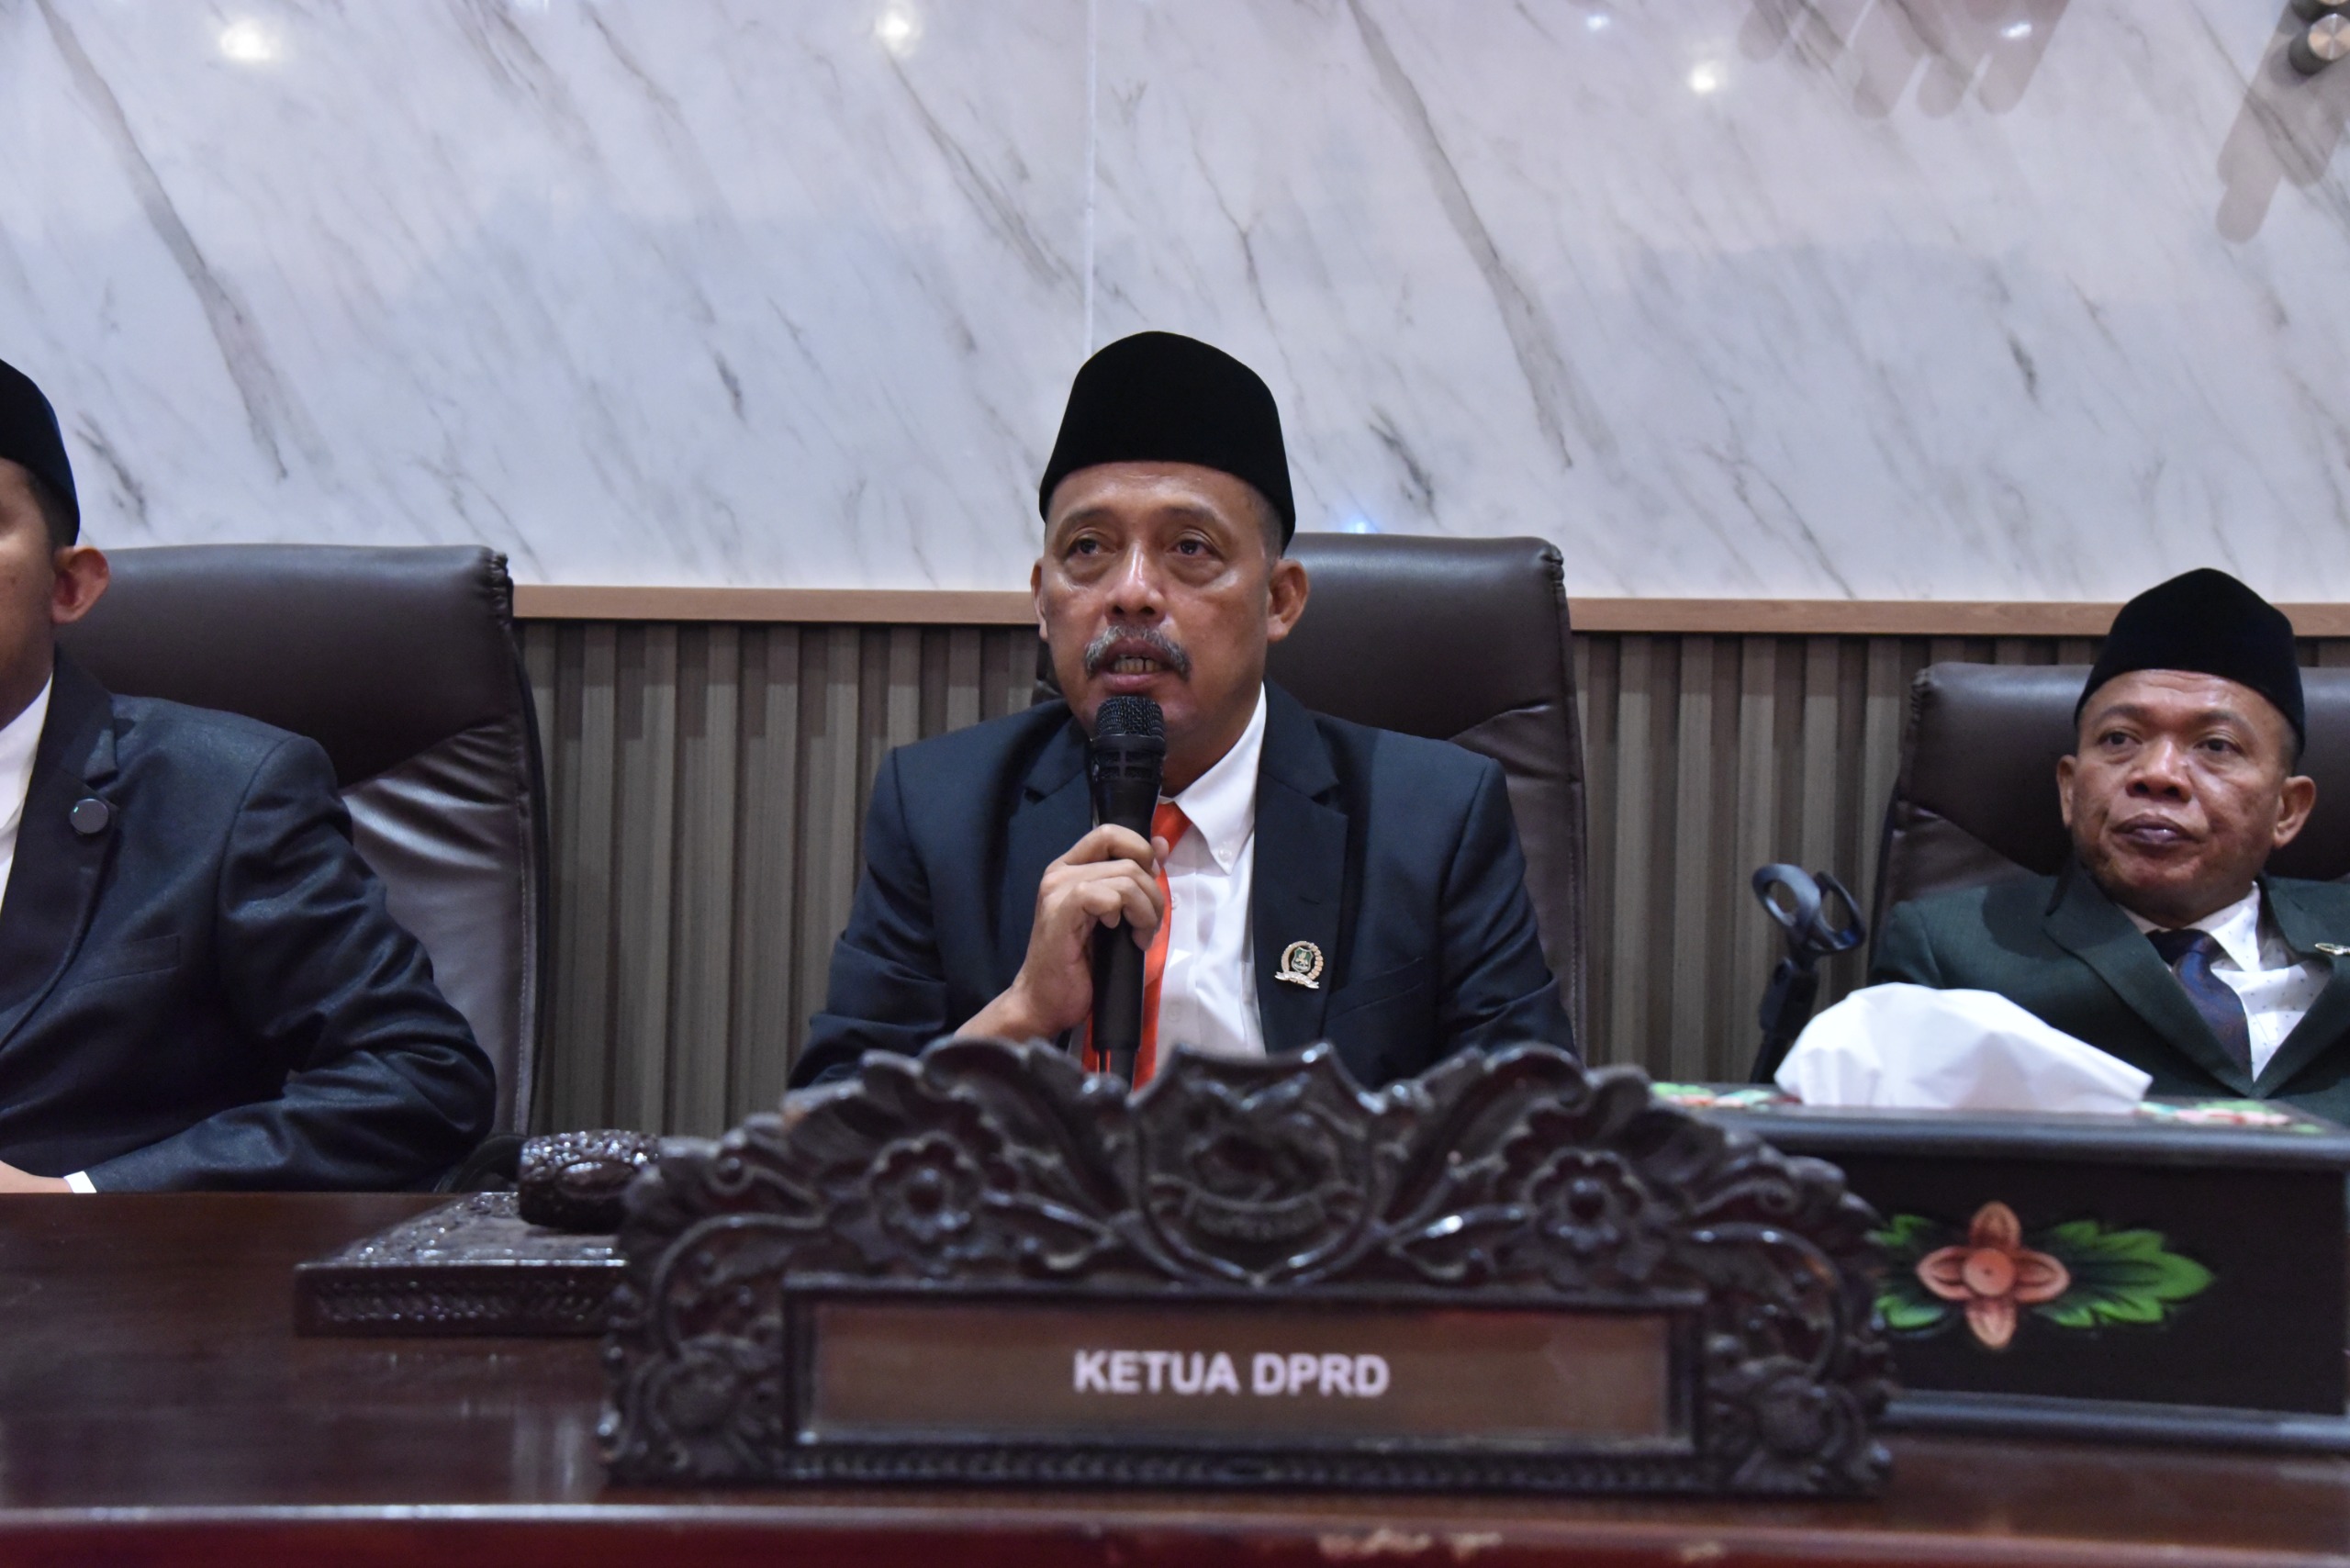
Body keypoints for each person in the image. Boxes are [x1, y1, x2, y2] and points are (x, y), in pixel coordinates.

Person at [794, 331, 1570, 1091]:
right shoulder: (940, 812)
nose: (1131, 591)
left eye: (1190, 547)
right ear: (1042, 598)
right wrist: (1020, 1014)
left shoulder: (1432, 821)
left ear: (1279, 599)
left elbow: (1536, 1124)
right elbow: (822, 1132)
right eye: (1088, 548)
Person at [0, 357, 493, 1191]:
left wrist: (80, 1203)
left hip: (94, 1267)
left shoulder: (225, 795)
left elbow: (418, 1080)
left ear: (70, 584)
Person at [1873, 567, 2350, 1120]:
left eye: (2215, 746)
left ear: (2287, 810)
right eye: (2120, 738)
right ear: (2070, 789)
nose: (2157, 774)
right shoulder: (1952, 951)